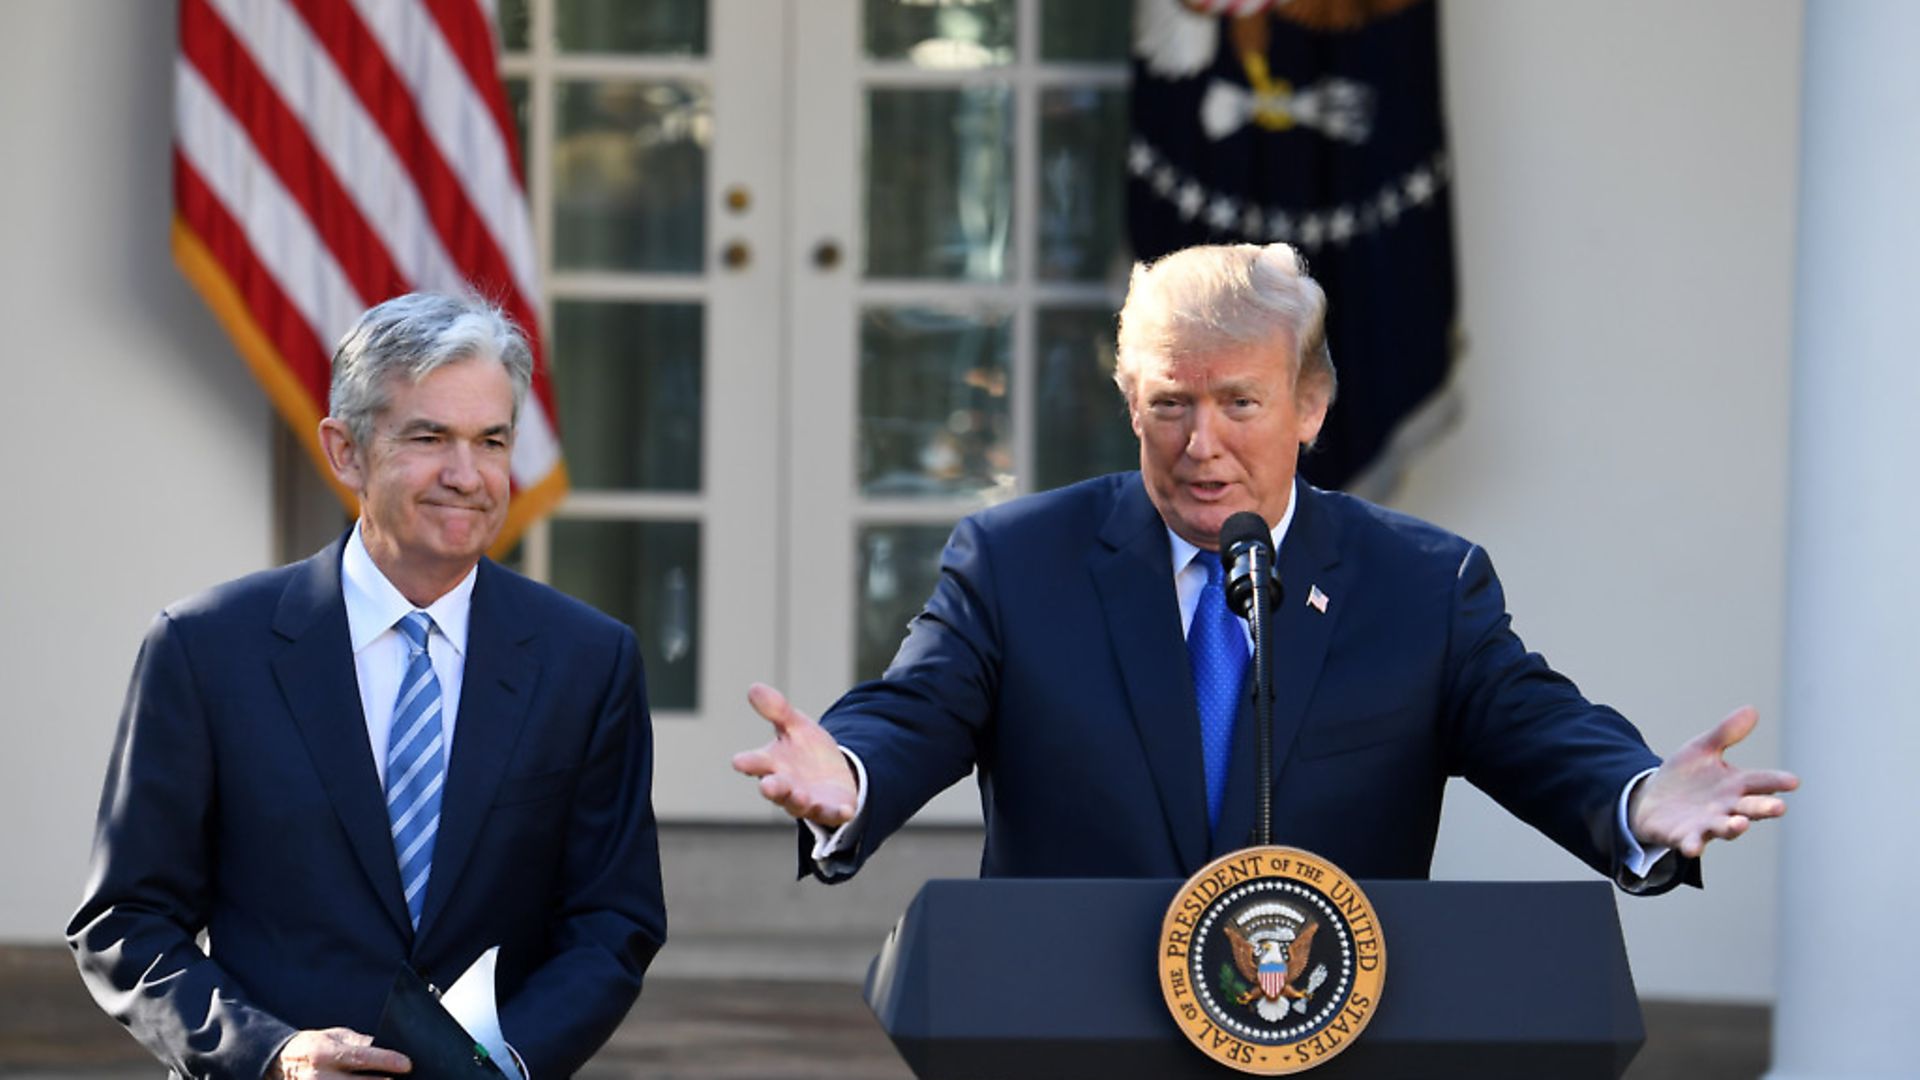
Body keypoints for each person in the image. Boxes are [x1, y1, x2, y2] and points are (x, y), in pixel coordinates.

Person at [733, 242, 1796, 890]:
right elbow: (917, 706)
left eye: (1241, 404)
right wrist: (852, 774)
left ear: (1312, 406)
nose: (1203, 445)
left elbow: (1535, 727)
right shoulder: (1017, 560)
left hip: (1327, 1029)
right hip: (1069, 1031)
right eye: (1169, 405)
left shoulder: (1421, 583)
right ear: (1128, 401)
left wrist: (1638, 793)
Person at [69, 294, 666, 1079]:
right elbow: (125, 921)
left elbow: (611, 920)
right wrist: (272, 1053)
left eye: (492, 441)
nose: (467, 475)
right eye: (429, 437)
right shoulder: (204, 649)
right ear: (345, 450)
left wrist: (505, 1062)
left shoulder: (588, 660)